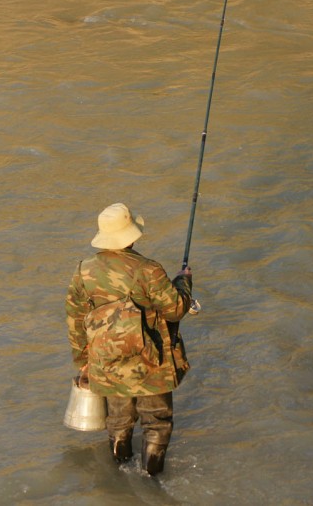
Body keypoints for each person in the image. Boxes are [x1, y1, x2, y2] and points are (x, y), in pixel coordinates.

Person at [65, 202, 193, 476]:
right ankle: (151, 478)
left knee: (119, 420)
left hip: (106, 360)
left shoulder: (82, 270)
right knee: (156, 422)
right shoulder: (149, 269)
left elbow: (75, 320)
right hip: (151, 361)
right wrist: (184, 282)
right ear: (132, 235)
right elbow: (176, 310)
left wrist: (84, 362)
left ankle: (121, 473)